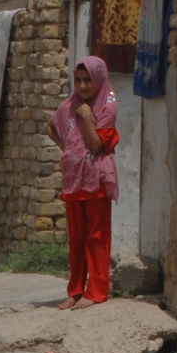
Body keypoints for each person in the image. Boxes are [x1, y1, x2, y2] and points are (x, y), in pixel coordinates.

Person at [45, 55, 119, 310]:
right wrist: (69, 151)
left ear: (99, 79)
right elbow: (51, 127)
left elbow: (97, 145)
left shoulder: (107, 105)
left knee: (96, 237)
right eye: (78, 80)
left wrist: (87, 117)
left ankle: (96, 291)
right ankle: (75, 290)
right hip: (73, 180)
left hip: (96, 180)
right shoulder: (69, 106)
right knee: (76, 237)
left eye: (88, 80)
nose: (84, 85)